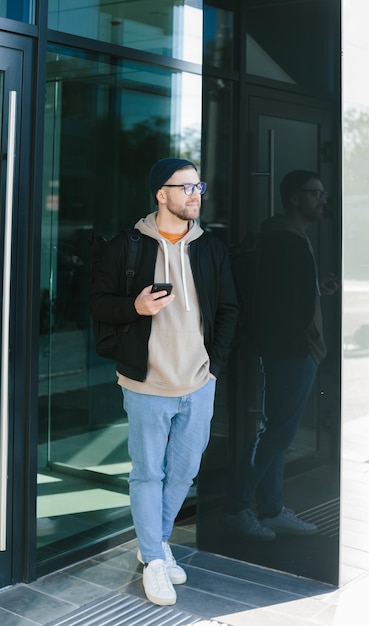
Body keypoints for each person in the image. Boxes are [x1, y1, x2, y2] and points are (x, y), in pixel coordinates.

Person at [90, 158, 239, 606]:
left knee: (184, 472)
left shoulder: (210, 248)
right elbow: (98, 303)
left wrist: (215, 367)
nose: (196, 195)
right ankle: (155, 560)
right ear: (162, 194)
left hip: (198, 382)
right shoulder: (126, 247)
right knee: (148, 473)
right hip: (146, 383)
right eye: (187, 188)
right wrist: (134, 308)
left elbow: (229, 309)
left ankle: (153, 543)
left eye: (199, 187)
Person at [223, 169, 337, 540]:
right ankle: (236, 507)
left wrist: (316, 287)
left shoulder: (285, 237)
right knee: (277, 434)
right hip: (292, 351)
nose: (322, 200)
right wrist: (306, 343)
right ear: (294, 199)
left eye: (322, 194)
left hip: (288, 349)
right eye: (315, 194)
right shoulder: (286, 240)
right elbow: (282, 306)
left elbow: (287, 293)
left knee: (277, 433)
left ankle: (271, 508)